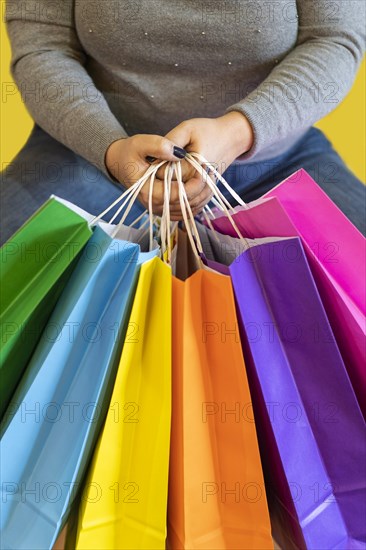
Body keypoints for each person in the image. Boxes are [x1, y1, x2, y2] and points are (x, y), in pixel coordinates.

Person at [1, 0, 365, 244]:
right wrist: (110, 149)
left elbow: (334, 39)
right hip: (89, 155)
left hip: (273, 160)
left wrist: (238, 132)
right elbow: (43, 46)